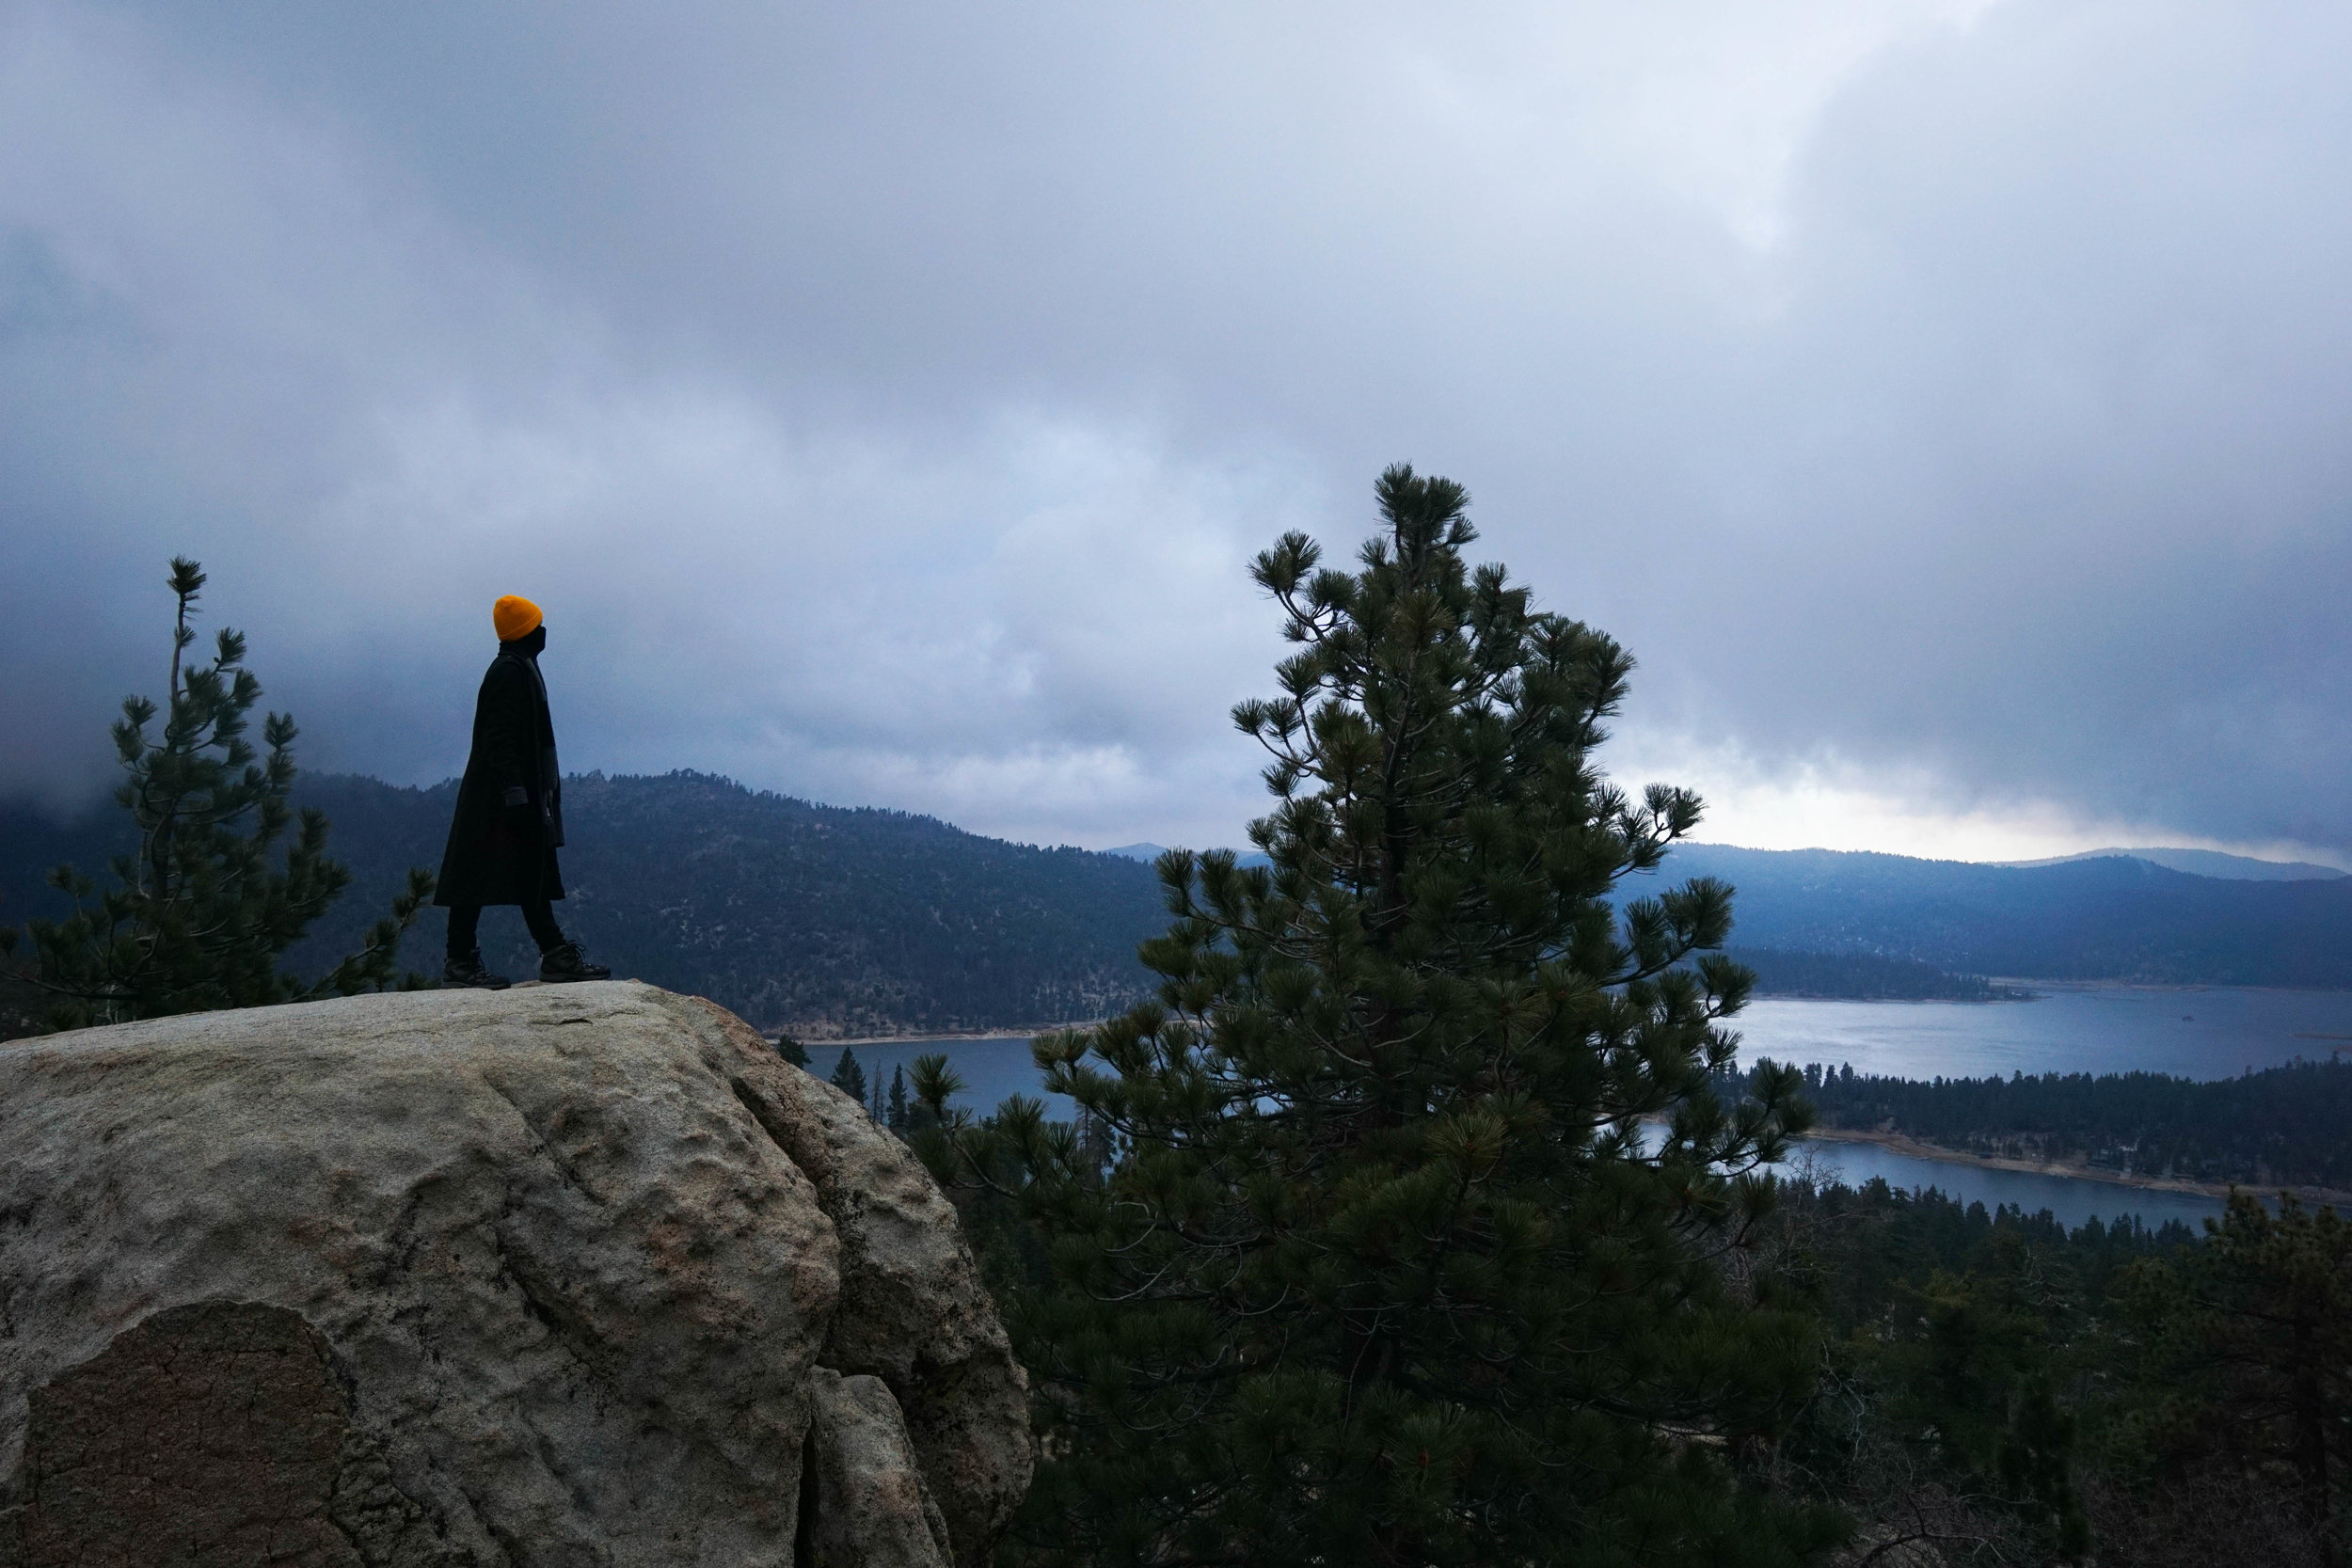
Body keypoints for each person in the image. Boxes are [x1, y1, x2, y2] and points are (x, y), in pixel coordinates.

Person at [435, 594, 611, 988]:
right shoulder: (508, 673)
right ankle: (462, 961)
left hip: (511, 792)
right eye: (537, 625)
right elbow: (498, 738)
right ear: (526, 632)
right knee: (475, 874)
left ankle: (552, 954)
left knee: (531, 871)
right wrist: (514, 791)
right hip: (498, 795)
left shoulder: (519, 667)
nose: (543, 631)